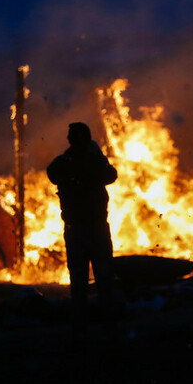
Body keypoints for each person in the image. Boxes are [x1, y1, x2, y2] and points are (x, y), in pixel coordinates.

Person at [47, 122, 119, 340]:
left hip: (75, 230)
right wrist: (95, 154)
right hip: (95, 228)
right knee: (104, 279)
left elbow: (52, 173)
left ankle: (80, 328)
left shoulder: (62, 163)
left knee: (78, 282)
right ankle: (109, 327)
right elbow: (111, 175)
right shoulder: (94, 161)